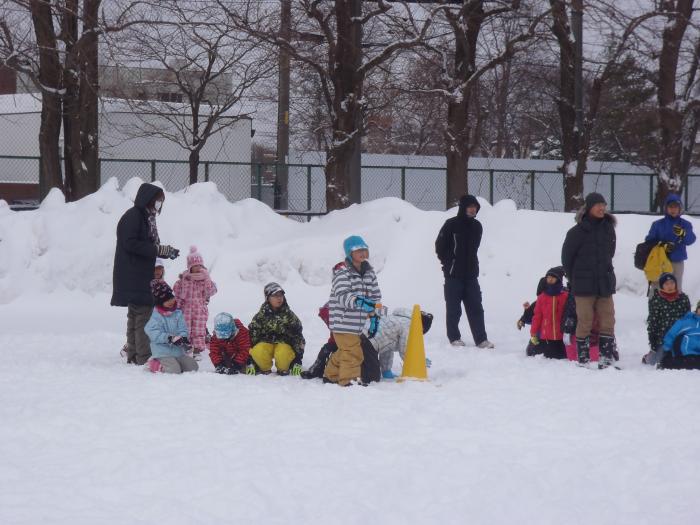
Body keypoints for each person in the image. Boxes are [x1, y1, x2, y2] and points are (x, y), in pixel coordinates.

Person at [111, 183, 179, 365]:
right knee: (143, 314)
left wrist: (164, 251)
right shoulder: (134, 217)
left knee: (135, 314)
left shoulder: (145, 217)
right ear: (148, 199)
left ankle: (133, 354)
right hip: (134, 274)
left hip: (137, 272)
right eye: (158, 200)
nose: (159, 204)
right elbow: (130, 243)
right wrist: (158, 249)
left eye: (161, 201)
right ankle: (143, 357)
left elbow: (145, 245)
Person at [561, 192, 618, 369]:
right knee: (584, 321)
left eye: (604, 205)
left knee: (608, 320)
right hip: (583, 285)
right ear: (589, 208)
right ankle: (583, 360)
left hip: (605, 283)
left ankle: (606, 359)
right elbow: (567, 259)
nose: (602, 208)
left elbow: (610, 254)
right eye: (598, 205)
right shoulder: (576, 232)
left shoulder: (609, 229)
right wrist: (575, 279)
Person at [435, 194, 494, 349]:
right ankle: (454, 337)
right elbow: (439, 246)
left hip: (471, 275)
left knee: (476, 307)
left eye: (475, 207)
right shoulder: (450, 224)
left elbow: (474, 249)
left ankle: (481, 339)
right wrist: (449, 262)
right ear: (463, 208)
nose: (473, 209)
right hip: (453, 275)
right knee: (454, 308)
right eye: (470, 207)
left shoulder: (477, 226)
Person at [324, 236, 382, 386]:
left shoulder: (369, 272)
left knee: (346, 351)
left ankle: (331, 374)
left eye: (365, 250)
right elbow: (342, 295)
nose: (363, 253)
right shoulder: (342, 272)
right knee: (353, 353)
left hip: (357, 323)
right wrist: (360, 301)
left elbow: (375, 296)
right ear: (350, 253)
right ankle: (349, 380)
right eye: (358, 250)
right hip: (342, 321)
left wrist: (374, 316)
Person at [300, 303, 380, 383]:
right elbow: (335, 334)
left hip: (360, 346)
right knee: (327, 349)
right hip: (352, 340)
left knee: (346, 354)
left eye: (328, 320)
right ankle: (318, 370)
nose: (327, 323)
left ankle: (342, 376)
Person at [248, 282, 305, 376]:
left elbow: (298, 336)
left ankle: (285, 367)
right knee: (259, 351)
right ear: (268, 298)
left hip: (284, 345)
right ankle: (263, 368)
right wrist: (250, 360)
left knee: (283, 354)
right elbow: (252, 336)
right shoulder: (261, 316)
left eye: (281, 295)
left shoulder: (289, 315)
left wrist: (298, 359)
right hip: (266, 343)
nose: (279, 298)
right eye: (275, 295)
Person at [144, 280, 198, 374]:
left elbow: (183, 329)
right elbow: (151, 331)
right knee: (174, 370)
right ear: (160, 303)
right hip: (162, 352)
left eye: (171, 298)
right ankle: (154, 364)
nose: (170, 302)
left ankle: (175, 363)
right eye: (166, 300)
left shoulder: (178, 313)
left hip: (178, 352)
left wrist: (183, 338)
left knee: (193, 367)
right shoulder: (156, 316)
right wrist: (169, 338)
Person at [645, 193, 696, 292]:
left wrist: (683, 234)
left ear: (680, 208)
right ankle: (656, 307)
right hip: (659, 262)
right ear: (666, 208)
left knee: (675, 289)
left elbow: (691, 240)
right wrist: (662, 245)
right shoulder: (657, 225)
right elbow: (649, 241)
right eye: (671, 206)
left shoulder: (685, 224)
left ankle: (676, 307)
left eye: (676, 207)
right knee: (657, 288)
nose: (673, 209)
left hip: (676, 262)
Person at [173, 246, 217, 358]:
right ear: (190, 267)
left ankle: (197, 350)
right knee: (185, 329)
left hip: (199, 310)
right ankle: (185, 349)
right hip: (185, 310)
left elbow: (211, 291)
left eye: (199, 265)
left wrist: (207, 278)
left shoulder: (204, 280)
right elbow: (177, 293)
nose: (197, 268)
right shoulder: (184, 279)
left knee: (198, 330)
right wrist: (177, 309)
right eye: (195, 266)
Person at [366, 307, 433, 379]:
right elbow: (406, 350)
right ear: (420, 327)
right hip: (368, 344)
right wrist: (419, 361)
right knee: (371, 378)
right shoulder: (408, 325)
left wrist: (386, 370)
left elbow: (387, 348)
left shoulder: (396, 318)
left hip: (363, 339)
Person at [643, 273, 691, 366]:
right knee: (656, 362)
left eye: (672, 283)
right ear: (662, 286)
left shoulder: (683, 298)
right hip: (663, 338)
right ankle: (649, 356)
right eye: (666, 284)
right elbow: (653, 322)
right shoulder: (656, 300)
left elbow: (688, 319)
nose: (670, 286)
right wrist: (653, 341)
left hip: (680, 337)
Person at [528, 267, 569, 359]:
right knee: (541, 354)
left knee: (562, 356)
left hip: (561, 337)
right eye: (548, 277)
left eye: (552, 278)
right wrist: (533, 332)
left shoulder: (565, 296)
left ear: (558, 279)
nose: (550, 279)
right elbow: (537, 316)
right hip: (546, 337)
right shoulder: (542, 297)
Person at [658, 300, 700, 370]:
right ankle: (666, 363)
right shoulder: (687, 321)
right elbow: (671, 335)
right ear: (697, 309)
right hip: (686, 354)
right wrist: (666, 350)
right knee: (687, 362)